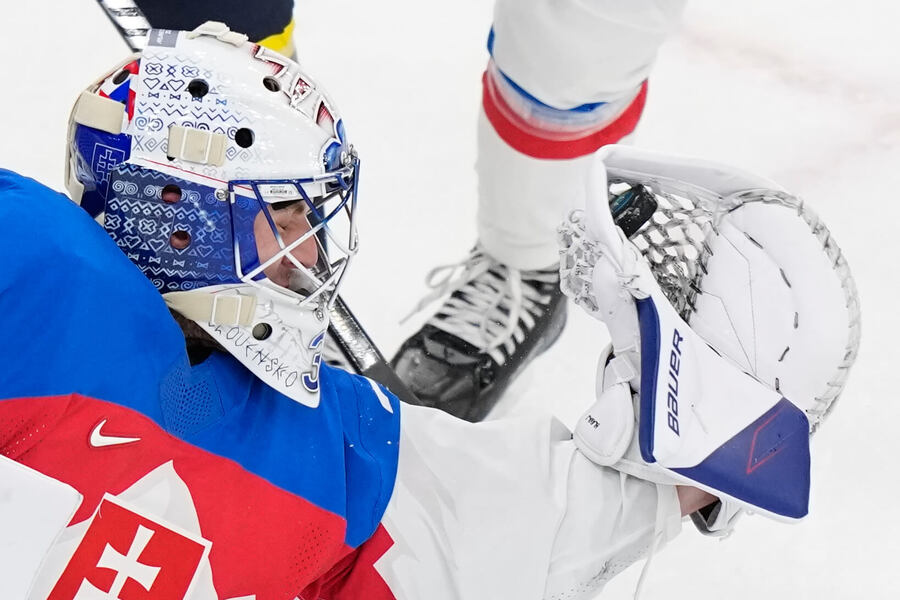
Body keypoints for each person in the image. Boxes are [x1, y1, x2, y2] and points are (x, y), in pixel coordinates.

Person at [0, 24, 858, 599]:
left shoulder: (313, 443)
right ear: (178, 220)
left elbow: (486, 521)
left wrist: (709, 452)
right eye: (286, 216)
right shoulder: (41, 274)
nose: (314, 256)